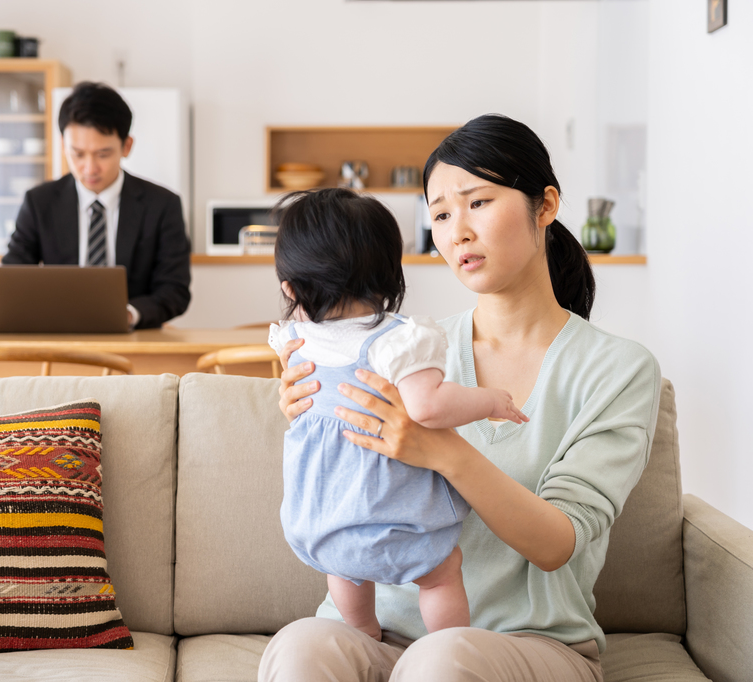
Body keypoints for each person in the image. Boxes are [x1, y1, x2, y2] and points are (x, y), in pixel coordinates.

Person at [260, 114, 661, 682]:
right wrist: (306, 405)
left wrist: (439, 450)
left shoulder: (617, 369)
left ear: (545, 205)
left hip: (528, 644)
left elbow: (557, 545)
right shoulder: (399, 345)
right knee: (301, 646)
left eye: (478, 203)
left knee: (441, 661)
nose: (457, 232)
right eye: (441, 214)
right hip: (388, 634)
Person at [266, 188, 528, 642]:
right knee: (442, 573)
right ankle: (448, 645)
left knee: (344, 573)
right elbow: (428, 406)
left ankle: (364, 633)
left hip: (322, 521)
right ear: (390, 273)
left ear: (290, 287)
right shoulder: (397, 341)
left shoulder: (295, 340)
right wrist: (489, 401)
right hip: (393, 515)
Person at [2, 81, 191, 329]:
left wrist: (128, 315)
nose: (90, 168)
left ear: (127, 146)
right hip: (59, 337)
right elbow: (12, 279)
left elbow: (174, 289)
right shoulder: (39, 202)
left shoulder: (163, 205)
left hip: (136, 339)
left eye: (103, 154)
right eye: (77, 154)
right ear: (63, 145)